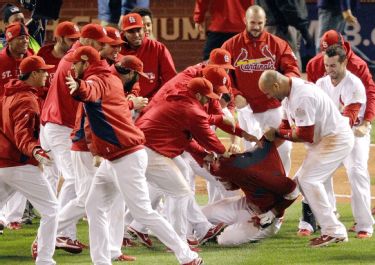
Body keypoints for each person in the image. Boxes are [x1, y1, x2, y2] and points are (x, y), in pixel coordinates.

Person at [65, 45, 203, 265]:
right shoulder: (111, 79)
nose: (72, 67)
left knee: (144, 213)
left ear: (85, 63)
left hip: (127, 157)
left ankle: (187, 256)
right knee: (94, 206)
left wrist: (79, 87)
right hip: (115, 158)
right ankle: (101, 261)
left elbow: (90, 90)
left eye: (75, 63)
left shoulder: (99, 79)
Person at [39, 23, 114, 252]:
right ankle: (59, 233)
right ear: (89, 42)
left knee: (73, 181)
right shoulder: (77, 60)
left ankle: (63, 232)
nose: (103, 47)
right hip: (59, 125)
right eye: (100, 43)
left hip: (60, 125)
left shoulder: (82, 56)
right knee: (72, 179)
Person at [260, 69, 354, 247]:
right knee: (299, 181)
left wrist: (277, 133)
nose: (268, 97)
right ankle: (273, 213)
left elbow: (304, 135)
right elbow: (285, 125)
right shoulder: (288, 95)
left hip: (335, 139)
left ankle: (333, 230)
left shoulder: (302, 96)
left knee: (309, 181)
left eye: (268, 92)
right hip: (325, 140)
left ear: (275, 85)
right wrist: (264, 146)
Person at [301, 45, 373, 238]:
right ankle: (329, 216)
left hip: (354, 134)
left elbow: (348, 118)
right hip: (331, 136)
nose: (329, 69)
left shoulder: (354, 84)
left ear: (344, 63)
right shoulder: (321, 84)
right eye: (326, 65)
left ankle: (364, 225)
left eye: (333, 65)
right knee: (319, 174)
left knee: (357, 172)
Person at [221, 5, 300, 176]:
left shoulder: (278, 44)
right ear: (245, 21)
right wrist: (236, 94)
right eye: (252, 23)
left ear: (265, 22)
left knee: (284, 148)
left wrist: (283, 85)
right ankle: (259, 190)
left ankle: (281, 184)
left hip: (274, 107)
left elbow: (292, 70)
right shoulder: (230, 45)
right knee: (254, 151)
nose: (256, 27)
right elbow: (223, 77)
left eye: (260, 23)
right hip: (247, 109)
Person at [0, 55, 58, 263]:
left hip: (4, 163)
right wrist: (35, 152)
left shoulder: (8, 94)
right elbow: (22, 135)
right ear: (33, 73)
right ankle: (45, 259)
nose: (46, 74)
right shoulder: (25, 99)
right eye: (43, 71)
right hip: (19, 164)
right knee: (52, 210)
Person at [202, 139, 298, 245]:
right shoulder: (240, 166)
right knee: (201, 214)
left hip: (264, 218)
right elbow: (231, 186)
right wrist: (220, 176)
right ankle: (227, 227)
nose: (217, 161)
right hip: (245, 205)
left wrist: (272, 213)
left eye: (219, 160)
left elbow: (293, 191)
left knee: (225, 240)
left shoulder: (263, 175)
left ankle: (230, 230)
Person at [0, 22, 33, 232]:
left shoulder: (30, 57)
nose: (24, 41)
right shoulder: (1, 60)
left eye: (26, 37)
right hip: (3, 118)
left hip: (24, 118)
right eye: (20, 38)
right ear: (9, 40)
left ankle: (13, 217)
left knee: (24, 162)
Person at [119, 12, 176, 99]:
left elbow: (170, 79)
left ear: (143, 29)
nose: (136, 35)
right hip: (124, 102)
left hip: (153, 101)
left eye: (138, 30)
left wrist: (155, 100)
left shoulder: (157, 48)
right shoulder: (116, 48)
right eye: (131, 31)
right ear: (124, 32)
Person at [255, 0, 315, 70]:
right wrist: (304, 30)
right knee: (290, 67)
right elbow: (286, 6)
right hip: (282, 26)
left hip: (273, 23)